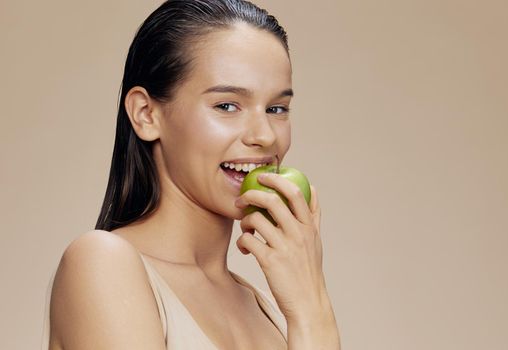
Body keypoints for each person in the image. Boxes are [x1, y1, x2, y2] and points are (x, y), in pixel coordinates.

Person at [41, 0, 341, 349]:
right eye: (227, 105)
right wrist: (310, 315)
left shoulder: (267, 308)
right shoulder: (102, 264)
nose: (265, 136)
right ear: (146, 114)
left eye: (277, 108)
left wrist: (310, 304)